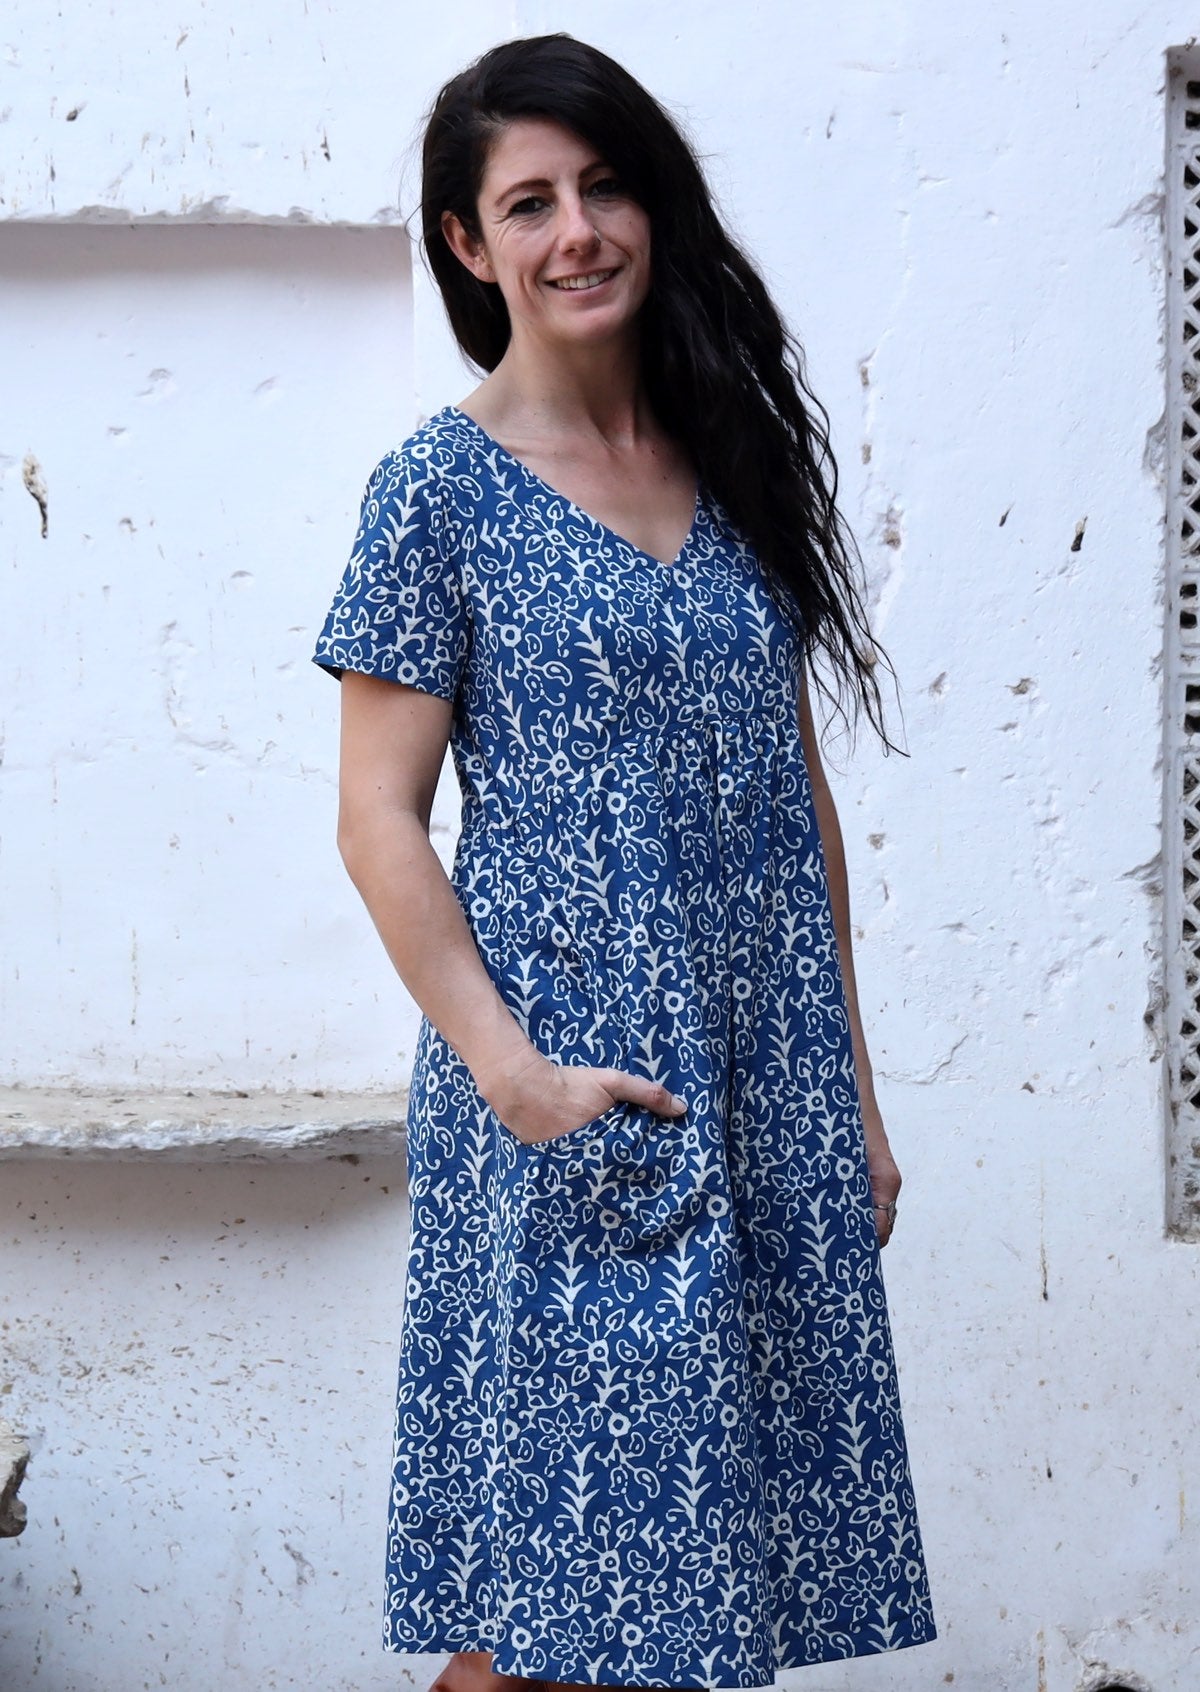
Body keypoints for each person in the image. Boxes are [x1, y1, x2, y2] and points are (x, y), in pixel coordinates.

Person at [313, 31, 937, 1692]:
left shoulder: (728, 459)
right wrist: (514, 1079)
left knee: (693, 1611)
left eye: (605, 188)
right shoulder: (436, 493)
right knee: (543, 1626)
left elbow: (798, 810)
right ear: (470, 245)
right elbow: (378, 819)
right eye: (530, 203)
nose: (577, 231)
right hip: (573, 1092)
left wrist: (852, 1101)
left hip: (757, 1089)